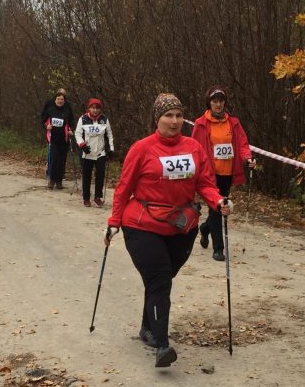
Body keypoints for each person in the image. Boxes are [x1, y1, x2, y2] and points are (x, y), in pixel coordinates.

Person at [107, 93, 230, 369]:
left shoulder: (194, 148)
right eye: (168, 116)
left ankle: (147, 328)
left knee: (160, 281)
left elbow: (205, 183)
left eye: (178, 115)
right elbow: (124, 188)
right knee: (161, 279)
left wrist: (218, 201)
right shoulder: (142, 149)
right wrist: (114, 221)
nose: (174, 121)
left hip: (181, 226)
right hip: (142, 225)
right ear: (157, 119)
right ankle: (162, 345)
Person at [191, 86, 254, 262]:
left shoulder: (233, 122)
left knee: (217, 209)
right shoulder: (201, 123)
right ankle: (218, 248)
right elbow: (194, 147)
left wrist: (247, 158)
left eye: (221, 101)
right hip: (209, 174)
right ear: (209, 103)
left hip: (227, 173)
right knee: (217, 208)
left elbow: (242, 144)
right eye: (214, 101)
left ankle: (205, 229)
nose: (218, 104)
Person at [76, 98, 114, 207]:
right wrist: (82, 144)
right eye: (93, 108)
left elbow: (109, 134)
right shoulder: (83, 119)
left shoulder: (104, 119)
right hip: (87, 152)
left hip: (100, 152)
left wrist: (111, 149)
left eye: (97, 108)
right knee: (87, 175)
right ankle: (86, 198)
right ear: (89, 108)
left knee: (100, 174)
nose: (95, 110)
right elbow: (77, 134)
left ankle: (98, 197)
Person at [41, 89, 75, 190]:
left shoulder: (67, 111)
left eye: (62, 99)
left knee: (62, 160)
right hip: (53, 138)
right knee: (54, 159)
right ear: (55, 100)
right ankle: (51, 180)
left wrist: (71, 130)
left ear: (64, 101)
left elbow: (71, 122)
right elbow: (43, 121)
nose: (60, 101)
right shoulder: (50, 110)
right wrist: (46, 126)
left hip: (64, 139)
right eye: (58, 99)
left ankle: (59, 181)